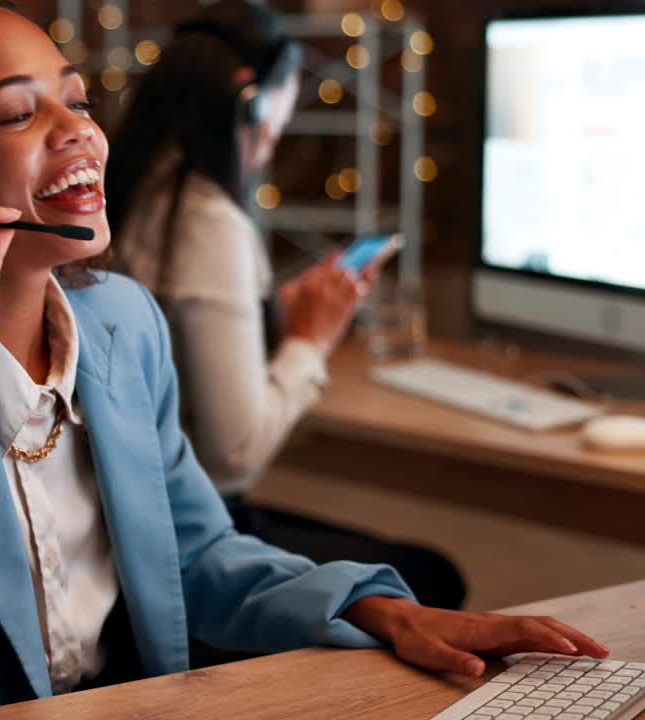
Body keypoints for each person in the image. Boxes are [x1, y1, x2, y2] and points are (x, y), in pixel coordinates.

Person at [0, 2, 606, 717]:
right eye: (17, 113)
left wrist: (385, 612)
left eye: (74, 102)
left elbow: (195, 556)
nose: (78, 133)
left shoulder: (122, 325)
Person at [106, 0, 466, 611]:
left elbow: (183, 355)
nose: (271, 144)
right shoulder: (207, 222)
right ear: (250, 102)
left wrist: (278, 315)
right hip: (195, 530)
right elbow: (235, 457)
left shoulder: (144, 191)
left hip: (141, 519)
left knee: (399, 560)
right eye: (277, 121)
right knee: (430, 577)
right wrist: (312, 339)